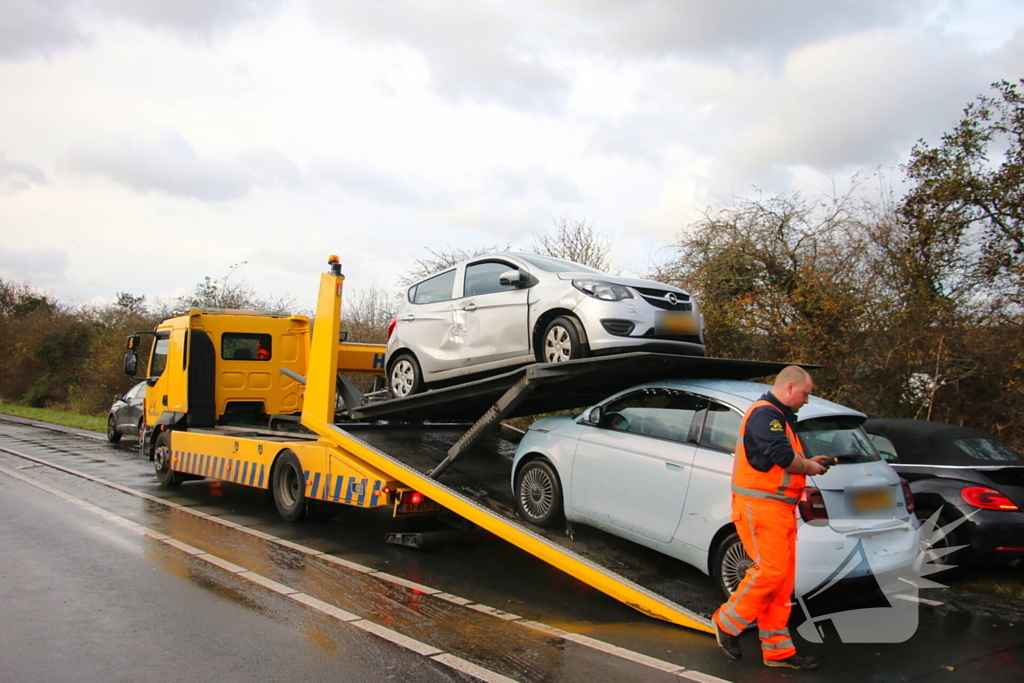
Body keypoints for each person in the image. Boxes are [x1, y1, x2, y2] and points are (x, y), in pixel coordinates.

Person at [712, 365, 831, 671]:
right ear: (790, 387)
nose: (807, 400)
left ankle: (778, 651)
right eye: (805, 393)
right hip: (760, 507)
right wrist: (809, 467)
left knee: (781, 583)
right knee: (771, 573)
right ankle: (726, 622)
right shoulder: (766, 414)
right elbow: (782, 458)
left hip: (778, 510)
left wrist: (807, 462)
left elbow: (780, 459)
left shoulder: (777, 417)